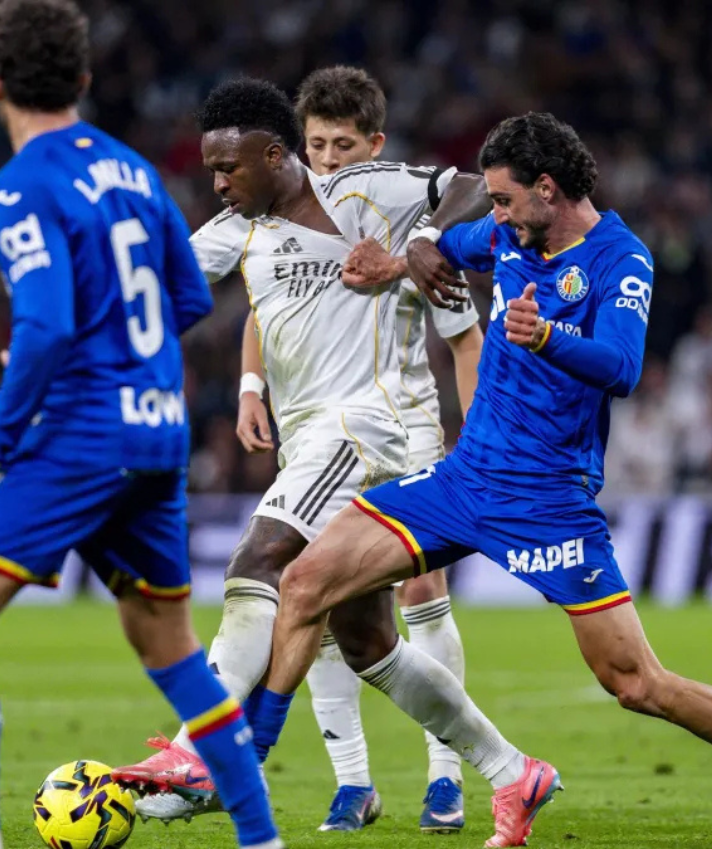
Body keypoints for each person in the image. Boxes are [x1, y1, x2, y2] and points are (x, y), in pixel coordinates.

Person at [251, 112, 712, 849]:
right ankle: (244, 766)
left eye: (504, 200)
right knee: (308, 582)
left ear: (547, 188)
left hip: (548, 499)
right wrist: (408, 254)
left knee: (635, 682)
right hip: (465, 479)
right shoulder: (508, 233)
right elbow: (445, 243)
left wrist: (548, 335)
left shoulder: (620, 259)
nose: (494, 214)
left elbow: (624, 367)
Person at [112, 78, 547, 847]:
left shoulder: (370, 192)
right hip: (309, 430)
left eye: (229, 168)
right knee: (365, 637)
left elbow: (473, 186)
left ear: (275, 156)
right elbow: (155, 283)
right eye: (211, 171)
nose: (217, 184)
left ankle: (198, 749)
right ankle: (513, 770)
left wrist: (424, 243)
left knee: (262, 556)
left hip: (368, 428)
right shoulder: (237, 230)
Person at [0, 3, 279, 849]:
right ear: (81, 79)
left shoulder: (17, 186)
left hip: (82, 438)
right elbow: (187, 297)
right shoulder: (137, 173)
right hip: (158, 433)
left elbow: (44, 326)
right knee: (174, 654)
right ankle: (262, 840)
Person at [233, 65, 483, 833]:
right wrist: (249, 385)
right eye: (318, 145)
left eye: (346, 144)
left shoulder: (410, 232)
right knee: (320, 593)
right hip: (319, 437)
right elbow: (263, 308)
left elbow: (466, 340)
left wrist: (473, 450)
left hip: (405, 433)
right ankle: (354, 782)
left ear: (376, 144)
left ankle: (447, 775)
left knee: (421, 594)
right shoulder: (289, 227)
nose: (332, 160)